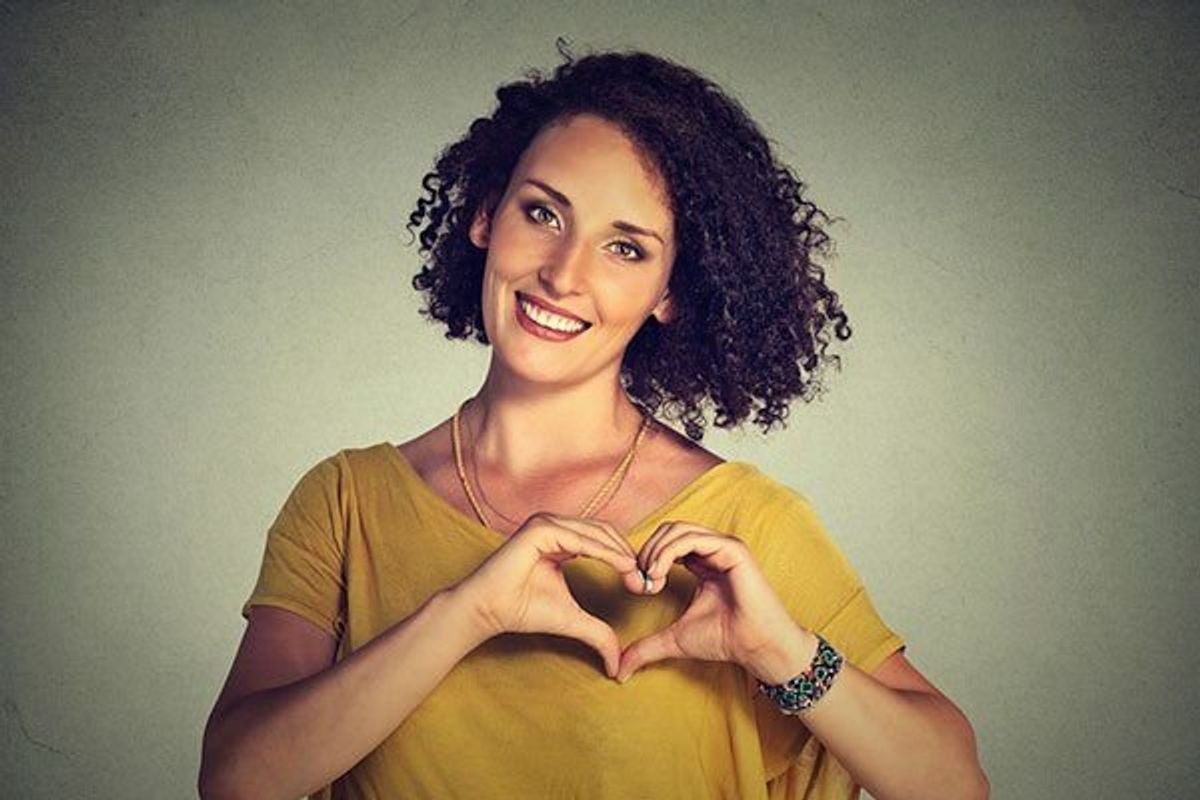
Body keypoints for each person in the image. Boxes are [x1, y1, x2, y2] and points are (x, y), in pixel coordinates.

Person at [199, 40, 988, 800]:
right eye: (543, 213)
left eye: (626, 249)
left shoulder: (745, 524)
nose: (563, 275)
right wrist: (466, 611)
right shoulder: (345, 502)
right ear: (485, 215)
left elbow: (953, 784)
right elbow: (238, 780)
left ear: (673, 293)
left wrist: (779, 652)